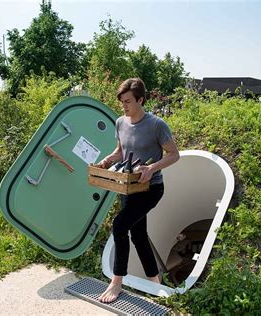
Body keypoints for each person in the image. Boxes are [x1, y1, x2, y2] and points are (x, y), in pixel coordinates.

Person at [94, 78, 180, 303]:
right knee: (139, 234)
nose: (124, 106)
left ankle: (116, 282)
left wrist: (152, 168)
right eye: (122, 102)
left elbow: (174, 154)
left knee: (119, 226)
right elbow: (121, 151)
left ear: (141, 100)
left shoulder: (157, 125)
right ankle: (155, 283)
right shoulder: (120, 122)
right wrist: (108, 160)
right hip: (128, 187)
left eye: (128, 102)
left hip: (151, 188)